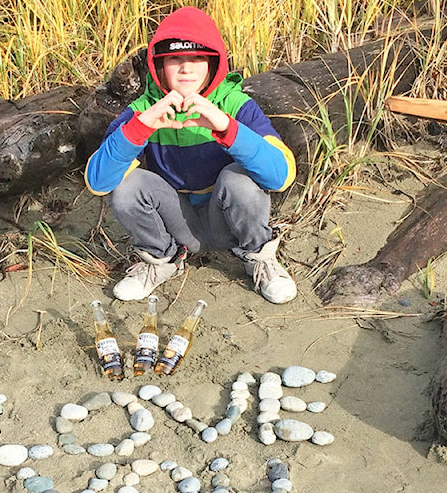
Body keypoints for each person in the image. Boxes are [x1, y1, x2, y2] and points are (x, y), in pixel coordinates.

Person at [85, 6, 298, 304]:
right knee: (127, 186)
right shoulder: (142, 110)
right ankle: (161, 260)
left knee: (240, 179)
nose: (186, 68)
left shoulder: (237, 105)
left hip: (226, 220)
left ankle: (259, 257)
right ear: (158, 65)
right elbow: (98, 181)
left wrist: (227, 127)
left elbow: (281, 176)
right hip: (178, 223)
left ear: (213, 63)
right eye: (174, 58)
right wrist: (140, 128)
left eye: (197, 58)